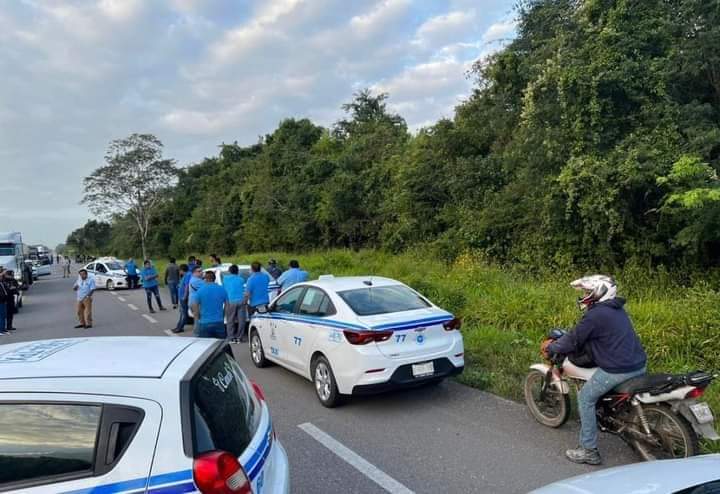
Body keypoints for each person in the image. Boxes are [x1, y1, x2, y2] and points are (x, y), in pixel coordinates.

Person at [546, 275, 647, 466]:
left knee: (585, 398)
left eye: (587, 292)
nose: (584, 295)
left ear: (598, 293)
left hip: (618, 369)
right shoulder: (616, 310)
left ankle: (588, 451)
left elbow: (573, 339)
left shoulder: (595, 315)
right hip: (638, 364)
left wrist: (553, 348)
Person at [192, 271, 228, 338]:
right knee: (220, 345)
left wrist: (198, 316)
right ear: (214, 279)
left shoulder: (200, 290)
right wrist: (223, 315)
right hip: (219, 321)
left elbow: (194, 306)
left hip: (204, 322)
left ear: (205, 279)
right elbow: (227, 305)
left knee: (205, 345)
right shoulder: (222, 289)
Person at [223, 264, 246, 343]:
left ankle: (231, 338)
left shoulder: (225, 279)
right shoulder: (241, 279)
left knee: (230, 320)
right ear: (237, 271)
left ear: (229, 271)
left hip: (230, 301)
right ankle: (239, 337)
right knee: (241, 320)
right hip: (241, 301)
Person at [172, 263, 189, 334]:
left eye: (179, 270)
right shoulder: (185, 275)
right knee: (182, 312)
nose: (179, 272)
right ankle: (179, 326)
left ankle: (180, 327)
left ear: (182, 270)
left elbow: (187, 286)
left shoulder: (188, 275)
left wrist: (185, 296)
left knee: (183, 313)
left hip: (183, 297)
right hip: (182, 297)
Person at [0, 269, 8, 336]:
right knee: (1, 316)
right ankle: (1, 330)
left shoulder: (1, 283)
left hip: (3, 301)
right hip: (0, 301)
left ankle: (4, 329)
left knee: (4, 315)